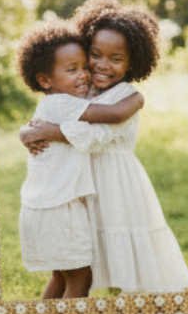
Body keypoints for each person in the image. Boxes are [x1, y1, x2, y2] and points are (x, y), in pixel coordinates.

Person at [21, 0, 188, 294]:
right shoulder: (82, 87)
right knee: (71, 261)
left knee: (112, 249)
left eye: (116, 59)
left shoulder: (125, 96)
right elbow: (51, 108)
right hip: (78, 186)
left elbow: (93, 133)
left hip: (114, 183)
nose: (102, 65)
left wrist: (49, 130)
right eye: (95, 54)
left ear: (133, 62)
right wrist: (28, 132)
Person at [14, 20, 144, 298]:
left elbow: (34, 127)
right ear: (45, 80)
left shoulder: (52, 102)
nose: (85, 74)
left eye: (84, 66)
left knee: (61, 278)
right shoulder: (65, 103)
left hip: (43, 204)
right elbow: (113, 115)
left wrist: (28, 132)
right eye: (72, 70)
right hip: (61, 206)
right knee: (80, 279)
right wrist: (136, 100)